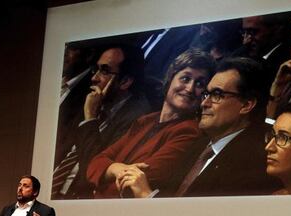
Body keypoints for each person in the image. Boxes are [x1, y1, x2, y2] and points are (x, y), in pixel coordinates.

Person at [116, 57, 282, 198]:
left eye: (216, 95)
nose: (204, 103)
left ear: (246, 104)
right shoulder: (198, 145)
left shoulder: (255, 161)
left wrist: (147, 196)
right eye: (206, 94)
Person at [86, 49, 216, 198]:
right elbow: (94, 163)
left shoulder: (191, 131)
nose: (190, 88)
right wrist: (117, 169)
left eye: (200, 84)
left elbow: (142, 180)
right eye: (185, 79)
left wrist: (105, 175)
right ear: (170, 80)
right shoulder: (145, 120)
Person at [52, 44, 153, 199]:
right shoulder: (95, 99)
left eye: (104, 71)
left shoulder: (137, 119)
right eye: (96, 69)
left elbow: (93, 169)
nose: (94, 77)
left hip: (78, 199)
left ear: (125, 81)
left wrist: (90, 118)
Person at [231, 13, 291, 83]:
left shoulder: (283, 64)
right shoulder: (244, 54)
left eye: (253, 32)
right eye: (244, 32)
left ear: (276, 30)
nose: (246, 41)